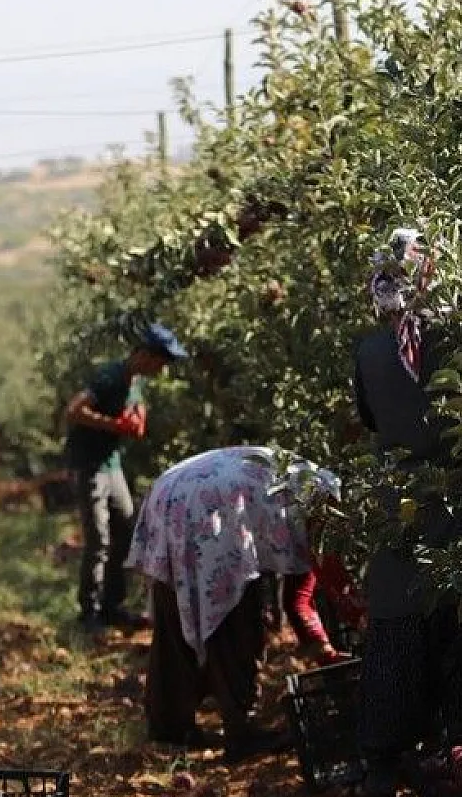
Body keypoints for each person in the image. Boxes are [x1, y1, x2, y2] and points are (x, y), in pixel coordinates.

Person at [351, 227, 462, 797]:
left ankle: (382, 767)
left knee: (398, 631)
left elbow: (373, 420)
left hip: (400, 507)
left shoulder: (372, 350)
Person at [125, 446, 355, 763]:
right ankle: (241, 730)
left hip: (172, 493)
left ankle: (170, 725)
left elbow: (296, 599)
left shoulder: (309, 480)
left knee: (174, 617)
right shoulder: (326, 510)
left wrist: (322, 650)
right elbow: (299, 600)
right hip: (213, 508)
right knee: (235, 626)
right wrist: (334, 643)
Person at [64, 321, 189, 630]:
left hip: (111, 465)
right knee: (98, 540)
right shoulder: (110, 376)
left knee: (125, 533)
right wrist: (114, 425)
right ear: (146, 355)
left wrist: (136, 420)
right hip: (89, 465)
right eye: (162, 361)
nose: (163, 369)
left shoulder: (135, 382)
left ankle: (112, 606)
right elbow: (74, 410)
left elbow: (135, 413)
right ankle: (89, 613)